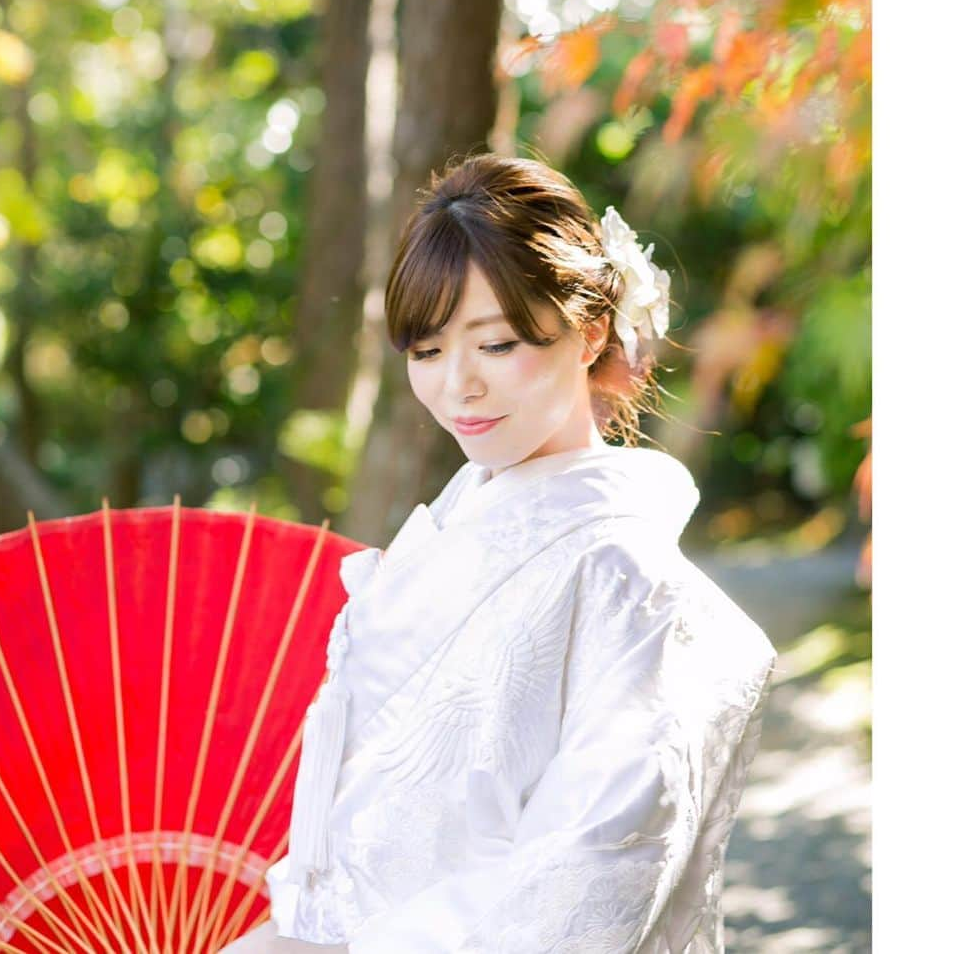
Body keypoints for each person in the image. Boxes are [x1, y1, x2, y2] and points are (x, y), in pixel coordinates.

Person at [221, 153, 775, 953]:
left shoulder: (629, 577)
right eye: (427, 351)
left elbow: (588, 879)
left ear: (588, 334)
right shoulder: (452, 526)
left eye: (497, 343)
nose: (457, 388)